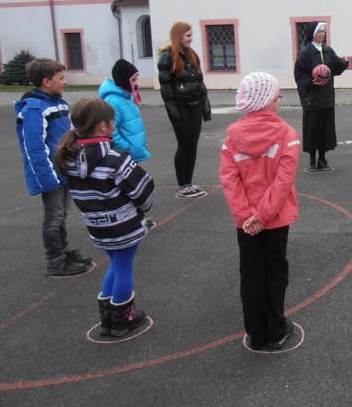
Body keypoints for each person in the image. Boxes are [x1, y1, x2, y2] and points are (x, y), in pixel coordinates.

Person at [54, 99, 155, 338]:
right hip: (122, 223)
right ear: (102, 126)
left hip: (96, 224)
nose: (114, 126)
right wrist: (144, 207)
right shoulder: (115, 158)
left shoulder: (67, 157)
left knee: (116, 264)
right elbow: (142, 189)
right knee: (123, 267)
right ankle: (123, 318)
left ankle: (107, 316)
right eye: (111, 122)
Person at [220, 73, 300, 350]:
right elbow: (283, 182)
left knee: (251, 272)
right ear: (267, 100)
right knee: (276, 271)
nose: (279, 99)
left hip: (246, 224)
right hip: (274, 220)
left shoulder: (232, 137)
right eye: (278, 95)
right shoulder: (287, 135)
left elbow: (230, 181)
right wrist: (263, 216)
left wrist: (247, 217)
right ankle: (276, 328)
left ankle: (256, 332)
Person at [14, 58, 92, 277]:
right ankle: (55, 260)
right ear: (47, 82)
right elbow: (34, 147)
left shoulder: (57, 102)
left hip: (64, 170)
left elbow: (67, 134)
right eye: (61, 78)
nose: (65, 82)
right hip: (50, 174)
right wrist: (47, 177)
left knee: (62, 214)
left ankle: (64, 252)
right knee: (53, 216)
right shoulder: (34, 109)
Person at [158, 21, 212, 198]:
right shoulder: (167, 57)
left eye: (191, 35)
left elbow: (200, 82)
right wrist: (174, 115)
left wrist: (205, 107)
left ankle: (188, 182)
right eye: (188, 36)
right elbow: (166, 90)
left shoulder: (191, 55)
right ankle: (182, 185)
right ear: (178, 36)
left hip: (194, 105)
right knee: (184, 144)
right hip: (180, 107)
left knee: (193, 145)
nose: (191, 39)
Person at [293, 22, 349, 171]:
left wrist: (343, 62)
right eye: (320, 32)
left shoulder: (328, 50)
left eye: (324, 32)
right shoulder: (305, 52)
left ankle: (322, 159)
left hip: (326, 99)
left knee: (325, 131)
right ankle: (312, 160)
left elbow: (335, 69)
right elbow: (299, 74)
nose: (323, 34)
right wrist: (311, 82)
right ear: (312, 33)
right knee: (312, 131)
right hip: (312, 100)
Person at [99, 59, 151, 163]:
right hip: (124, 155)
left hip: (131, 154)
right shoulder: (113, 101)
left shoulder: (127, 97)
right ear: (124, 80)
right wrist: (126, 148)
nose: (137, 83)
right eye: (134, 80)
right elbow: (110, 130)